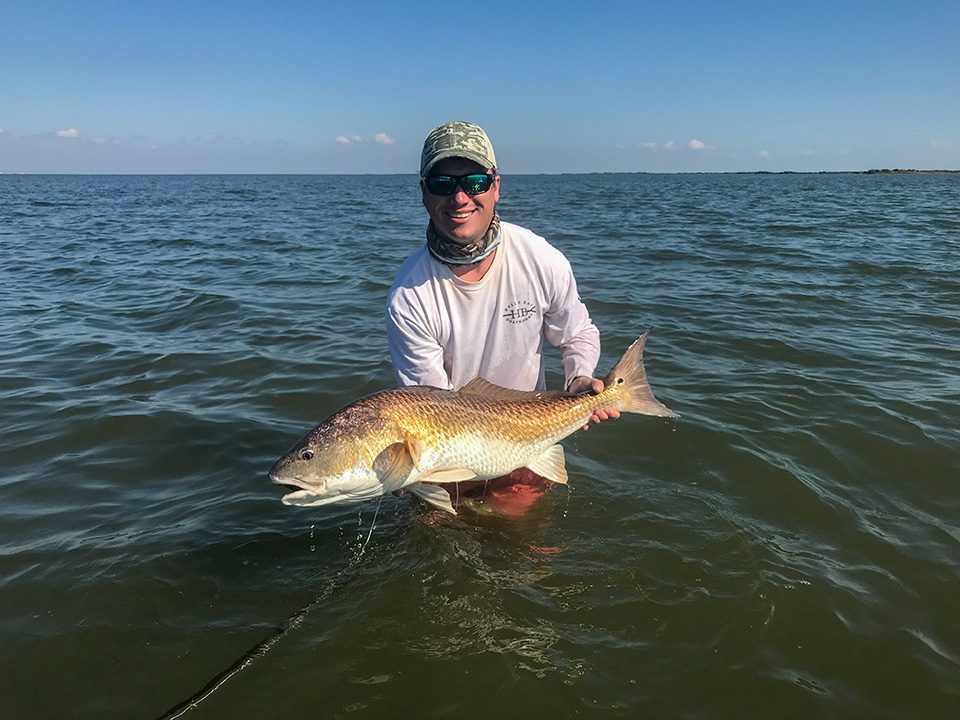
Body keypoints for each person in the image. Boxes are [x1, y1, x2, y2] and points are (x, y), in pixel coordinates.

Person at [385, 121, 617, 515]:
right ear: (424, 192)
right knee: (439, 548)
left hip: (527, 439)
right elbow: (431, 406)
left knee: (522, 555)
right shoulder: (409, 297)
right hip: (445, 451)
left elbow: (576, 332)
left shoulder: (541, 259)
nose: (459, 197)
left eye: (474, 182)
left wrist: (579, 378)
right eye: (442, 183)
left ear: (496, 186)